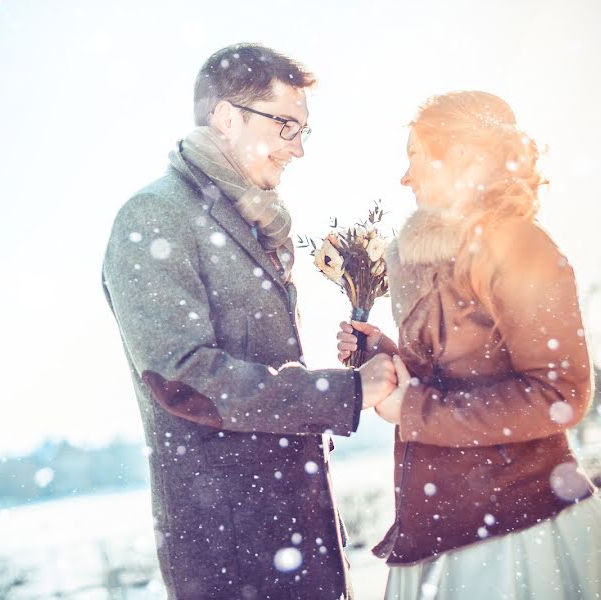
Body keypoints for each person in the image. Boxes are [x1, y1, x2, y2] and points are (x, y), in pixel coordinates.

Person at [337, 91, 601, 599]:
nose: (406, 177)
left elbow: (559, 395)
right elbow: (455, 373)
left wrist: (414, 408)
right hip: (437, 521)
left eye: (417, 156)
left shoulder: (520, 245)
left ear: (466, 157)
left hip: (517, 528)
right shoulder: (430, 261)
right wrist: (384, 354)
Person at [102, 43, 393, 600]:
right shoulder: (154, 216)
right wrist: (344, 393)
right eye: (286, 125)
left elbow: (258, 365)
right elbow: (182, 378)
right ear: (227, 117)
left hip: (302, 531)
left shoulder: (257, 221)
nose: (299, 148)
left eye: (305, 130)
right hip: (233, 552)